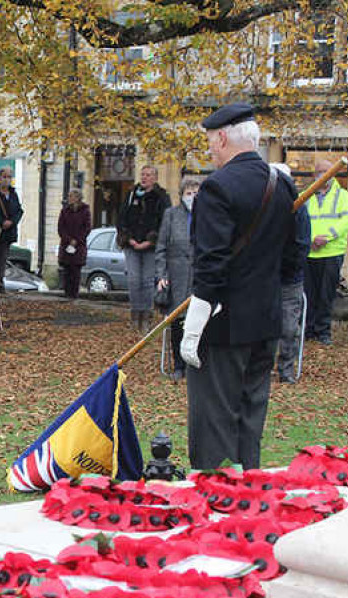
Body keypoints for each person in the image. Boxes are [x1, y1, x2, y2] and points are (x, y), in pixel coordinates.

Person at [180, 103, 303, 470]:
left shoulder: (217, 187)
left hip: (224, 323)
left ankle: (219, 501)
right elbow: (294, 255)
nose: (209, 150)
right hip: (265, 320)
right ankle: (249, 496)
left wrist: (194, 324)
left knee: (215, 420)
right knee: (250, 418)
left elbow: (211, 263)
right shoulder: (281, 184)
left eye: (210, 143)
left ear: (222, 137)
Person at [155, 176, 201, 380]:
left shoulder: (208, 216)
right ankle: (179, 365)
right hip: (176, 276)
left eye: (196, 193)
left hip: (199, 277)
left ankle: (196, 363)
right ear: (182, 195)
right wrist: (162, 275)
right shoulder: (171, 215)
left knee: (198, 322)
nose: (193, 197)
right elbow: (161, 248)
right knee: (177, 323)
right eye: (189, 193)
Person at [270, 163, 311, 384]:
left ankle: (286, 368)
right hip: (265, 278)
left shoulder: (299, 208)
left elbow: (302, 245)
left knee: (288, 327)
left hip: (289, 279)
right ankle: (262, 366)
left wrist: (287, 266)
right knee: (262, 326)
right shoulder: (263, 206)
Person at [304, 158, 348, 346]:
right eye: (318, 171)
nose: (322, 175)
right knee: (309, 293)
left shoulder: (342, 196)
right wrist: (310, 240)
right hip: (310, 252)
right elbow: (299, 222)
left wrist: (326, 237)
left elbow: (345, 221)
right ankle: (309, 329)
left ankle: (323, 331)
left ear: (333, 173)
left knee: (326, 294)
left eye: (326, 171)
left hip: (331, 252)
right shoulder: (306, 195)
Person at [117, 165, 171, 332]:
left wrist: (151, 241)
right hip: (131, 244)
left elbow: (165, 222)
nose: (144, 177)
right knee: (134, 281)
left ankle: (146, 316)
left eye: (148, 175)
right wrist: (129, 238)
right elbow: (121, 219)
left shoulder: (161, 197)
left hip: (150, 246)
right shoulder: (131, 194)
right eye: (143, 174)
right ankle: (135, 314)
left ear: (155, 178)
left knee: (147, 281)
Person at [57, 189, 91, 299]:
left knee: (76, 271)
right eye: (69, 196)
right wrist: (68, 239)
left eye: (71, 196)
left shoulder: (85, 211)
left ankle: (74, 294)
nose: (69, 198)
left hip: (79, 246)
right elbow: (61, 228)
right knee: (67, 271)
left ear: (78, 198)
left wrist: (77, 240)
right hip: (66, 245)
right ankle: (67, 294)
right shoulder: (64, 211)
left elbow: (87, 228)